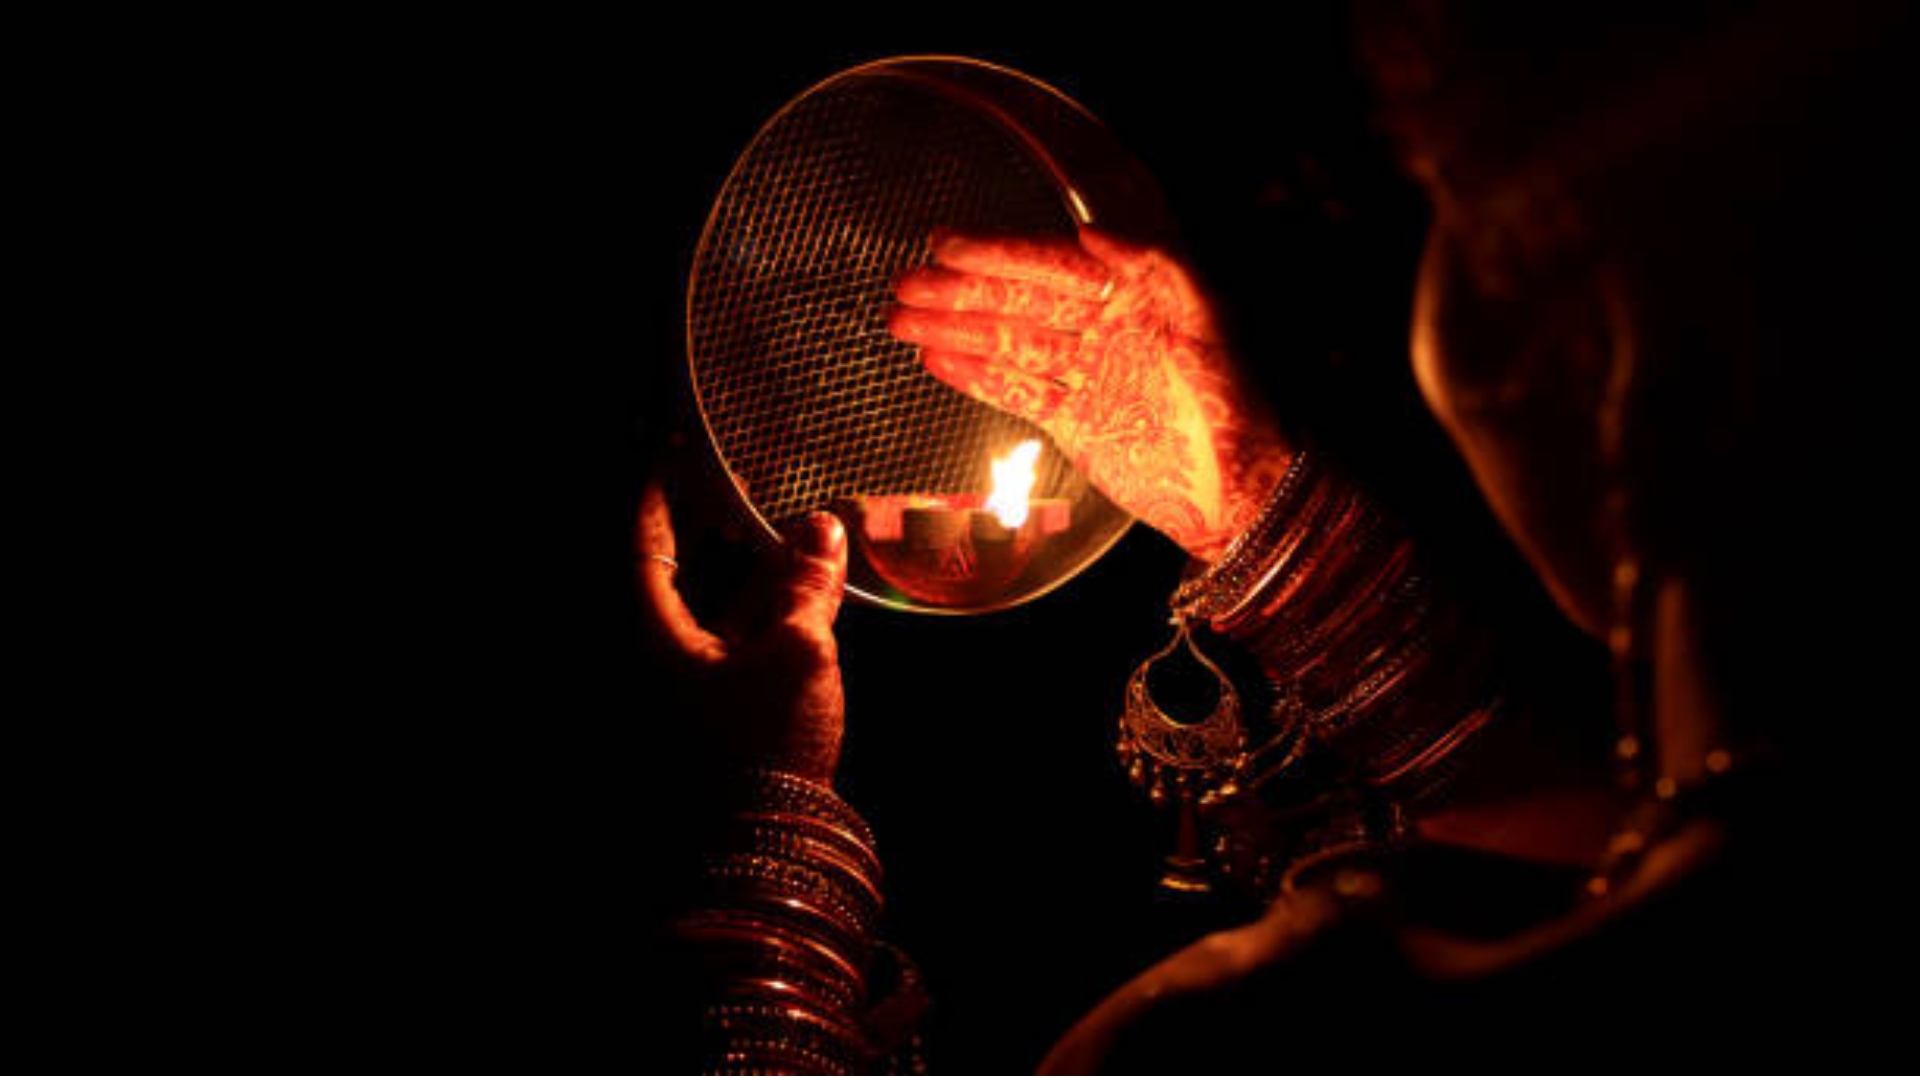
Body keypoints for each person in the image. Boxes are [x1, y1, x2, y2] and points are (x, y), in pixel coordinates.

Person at [641, 3, 1914, 1071]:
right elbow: (1557, 820)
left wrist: (755, 836)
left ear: (1592, 349)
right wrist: (1245, 498)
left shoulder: (1290, 1029)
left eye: (1454, 206)